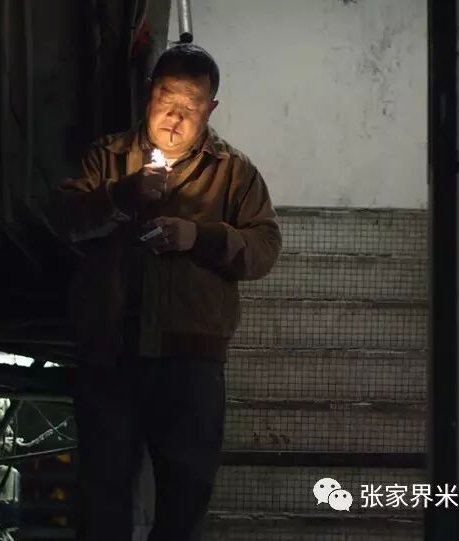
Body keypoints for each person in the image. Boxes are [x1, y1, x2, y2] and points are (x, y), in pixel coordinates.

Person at [50, 43, 281, 541]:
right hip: (110, 352)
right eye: (167, 99)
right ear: (149, 93)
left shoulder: (233, 172)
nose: (175, 118)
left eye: (190, 106)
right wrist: (121, 195)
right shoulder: (108, 157)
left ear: (211, 108)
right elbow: (66, 222)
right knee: (102, 492)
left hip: (190, 359)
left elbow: (264, 248)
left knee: (186, 493)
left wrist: (199, 236)